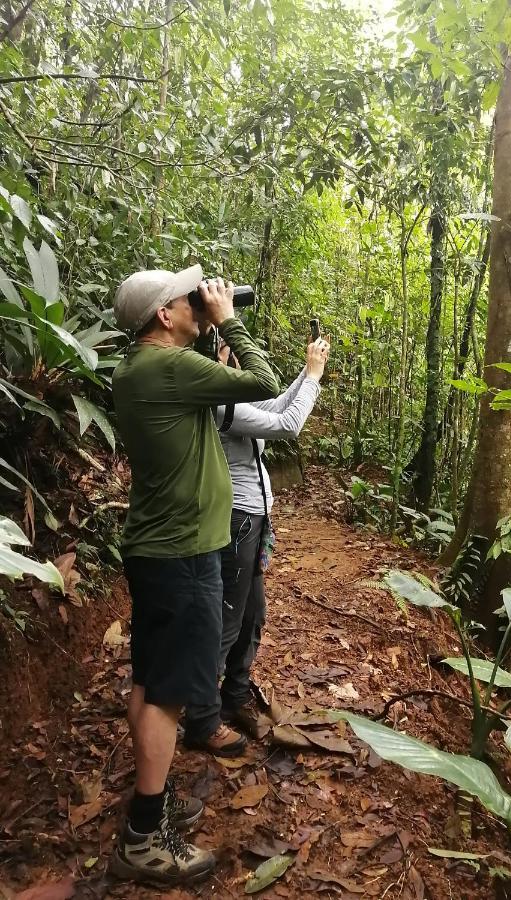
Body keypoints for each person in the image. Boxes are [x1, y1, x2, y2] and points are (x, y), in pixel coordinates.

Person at [109, 268, 279, 886]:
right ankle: (143, 837)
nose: (202, 302)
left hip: (160, 550)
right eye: (191, 299)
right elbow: (261, 383)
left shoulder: (142, 369)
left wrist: (206, 331)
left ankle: (146, 803)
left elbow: (208, 394)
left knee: (152, 679)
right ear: (163, 315)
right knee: (170, 693)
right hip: (183, 555)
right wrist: (229, 319)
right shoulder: (171, 370)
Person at [183, 335, 330, 750]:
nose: (236, 356)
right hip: (236, 520)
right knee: (227, 621)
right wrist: (315, 377)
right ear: (215, 356)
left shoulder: (232, 400)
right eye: (229, 348)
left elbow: (281, 404)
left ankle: (235, 696)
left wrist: (309, 366)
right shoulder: (219, 404)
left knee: (252, 614)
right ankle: (202, 716)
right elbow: (289, 424)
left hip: (252, 519)